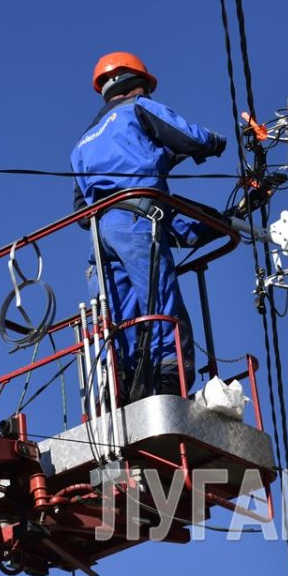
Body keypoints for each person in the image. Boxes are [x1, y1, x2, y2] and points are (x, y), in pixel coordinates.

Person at [70, 51, 227, 398]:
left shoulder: (82, 143)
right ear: (136, 83)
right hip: (138, 221)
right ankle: (170, 378)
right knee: (159, 300)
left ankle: (121, 386)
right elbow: (190, 136)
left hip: (101, 235)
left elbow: (81, 206)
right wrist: (215, 143)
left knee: (119, 313)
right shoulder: (138, 108)